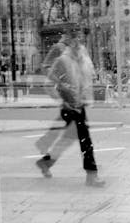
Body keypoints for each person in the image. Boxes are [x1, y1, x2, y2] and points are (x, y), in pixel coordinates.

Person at [35, 28, 105, 187]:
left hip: (78, 105)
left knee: (69, 139)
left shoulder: (81, 58)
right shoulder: (63, 59)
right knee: (85, 140)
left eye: (80, 40)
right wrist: (62, 99)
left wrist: (86, 97)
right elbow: (49, 83)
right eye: (75, 39)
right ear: (69, 40)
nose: (78, 43)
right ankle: (91, 175)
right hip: (70, 105)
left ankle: (46, 162)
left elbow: (86, 79)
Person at [35, 31, 72, 154]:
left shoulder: (69, 48)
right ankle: (45, 143)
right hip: (64, 89)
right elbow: (45, 66)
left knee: (67, 118)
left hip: (69, 89)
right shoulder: (58, 47)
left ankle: (44, 143)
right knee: (71, 119)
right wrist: (60, 81)